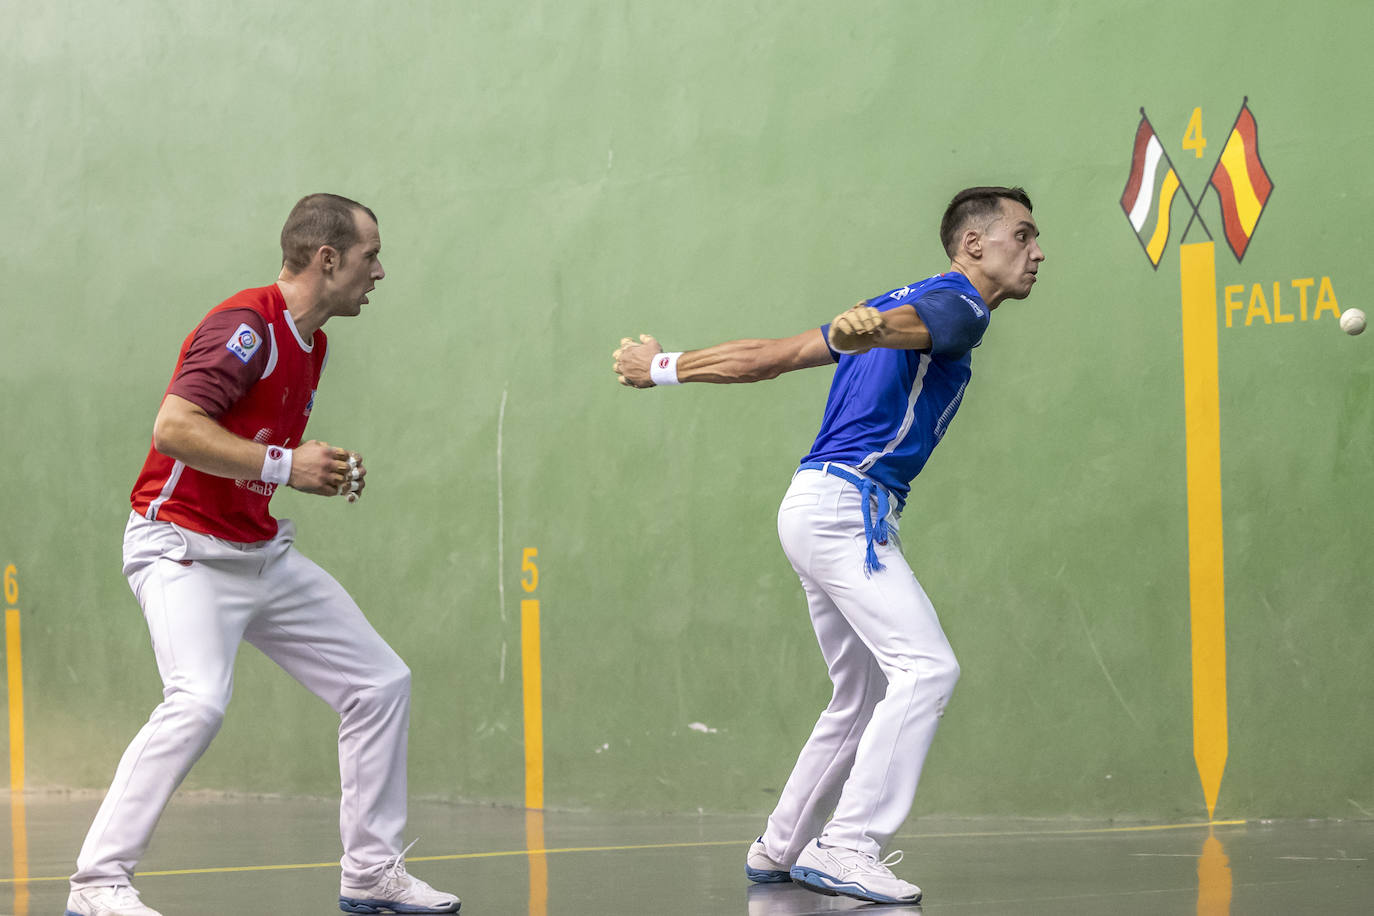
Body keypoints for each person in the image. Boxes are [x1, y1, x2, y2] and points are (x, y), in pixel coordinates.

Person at [612, 187, 1044, 905]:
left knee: (861, 692)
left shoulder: (889, 305)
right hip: (847, 511)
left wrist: (664, 366)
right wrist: (875, 331)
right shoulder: (960, 305)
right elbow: (916, 325)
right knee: (927, 668)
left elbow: (772, 356)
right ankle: (848, 845)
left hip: (813, 505)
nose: (1036, 252)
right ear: (973, 245)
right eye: (1022, 236)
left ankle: (780, 845)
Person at [65, 194, 461, 916]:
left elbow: (259, 451)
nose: (381, 272)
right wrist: (285, 466)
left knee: (379, 683)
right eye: (371, 256)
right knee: (198, 701)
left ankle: (371, 872)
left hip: (257, 552)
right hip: (180, 547)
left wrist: (313, 469)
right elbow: (174, 429)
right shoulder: (245, 328)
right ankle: (97, 884)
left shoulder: (314, 343)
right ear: (327, 258)